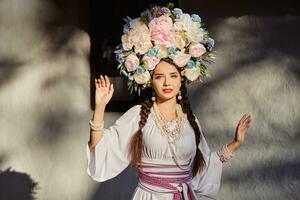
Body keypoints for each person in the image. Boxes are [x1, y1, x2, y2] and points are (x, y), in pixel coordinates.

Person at [86, 4, 251, 200]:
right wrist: (100, 108)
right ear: (150, 81)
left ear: (181, 79)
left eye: (173, 76)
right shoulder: (139, 115)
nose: (167, 82)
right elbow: (101, 150)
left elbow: (204, 167)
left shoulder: (190, 120)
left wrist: (235, 143)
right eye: (159, 77)